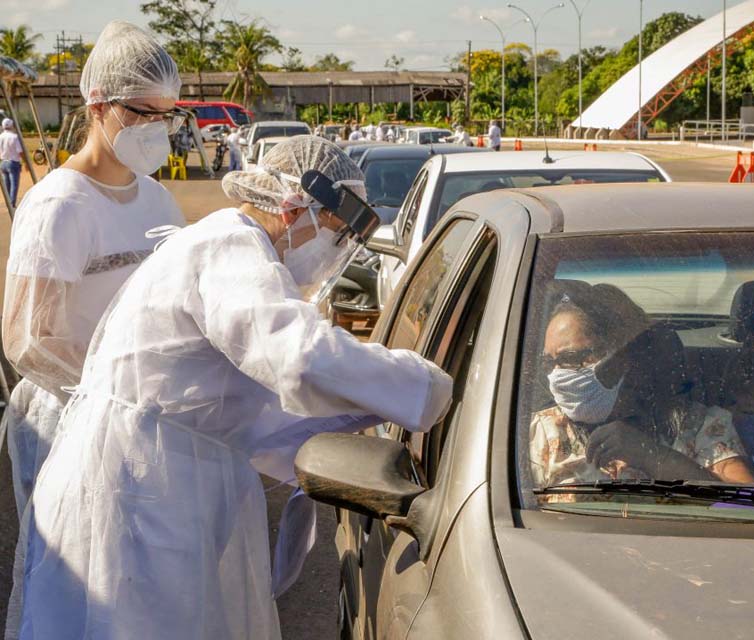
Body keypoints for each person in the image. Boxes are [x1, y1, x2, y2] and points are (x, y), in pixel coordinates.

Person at [16, 135, 453, 639]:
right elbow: (296, 356)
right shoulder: (228, 245)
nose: (332, 253)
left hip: (163, 480)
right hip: (137, 487)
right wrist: (424, 386)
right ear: (296, 208)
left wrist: (365, 408)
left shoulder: (239, 249)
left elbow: (257, 403)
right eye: (335, 234)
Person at [1, 20, 186, 636]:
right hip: (71, 422)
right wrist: (113, 393)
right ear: (99, 106)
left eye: (168, 114)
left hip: (146, 422)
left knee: (138, 587)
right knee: (76, 590)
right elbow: (27, 338)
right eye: (143, 113)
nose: (157, 128)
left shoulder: (158, 200)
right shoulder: (60, 205)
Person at [529, 282, 754, 489]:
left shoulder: (699, 425)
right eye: (549, 362)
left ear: (623, 356)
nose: (556, 375)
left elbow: (749, 508)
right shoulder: (545, 431)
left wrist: (651, 456)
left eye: (571, 358)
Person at [0, 118, 25, 206]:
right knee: (14, 184)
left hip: (3, 162)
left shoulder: (1, 136)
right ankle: (12, 203)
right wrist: (25, 162)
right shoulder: (14, 137)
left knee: (7, 184)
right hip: (13, 162)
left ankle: (8, 202)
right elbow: (20, 151)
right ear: (11, 126)